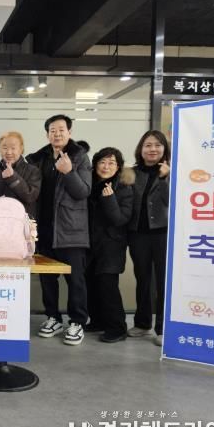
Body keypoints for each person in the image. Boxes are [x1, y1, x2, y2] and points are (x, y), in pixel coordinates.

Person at [26, 114, 92, 346]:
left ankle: (77, 322)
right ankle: (53, 317)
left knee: (75, 280)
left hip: (71, 229)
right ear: (47, 134)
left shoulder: (80, 157)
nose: (57, 134)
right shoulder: (39, 159)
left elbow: (83, 191)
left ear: (69, 132)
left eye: (61, 130)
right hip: (43, 229)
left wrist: (69, 171)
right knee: (48, 279)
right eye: (52, 130)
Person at [127, 130, 171, 347]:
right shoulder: (132, 173)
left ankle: (162, 328)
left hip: (163, 233)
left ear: (164, 148)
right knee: (143, 279)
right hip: (138, 234)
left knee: (162, 281)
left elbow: (170, 201)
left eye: (157, 145)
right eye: (148, 145)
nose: (152, 149)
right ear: (141, 149)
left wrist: (163, 178)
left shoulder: (171, 171)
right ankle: (143, 323)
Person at [85, 147, 134, 343]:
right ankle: (97, 321)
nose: (106, 167)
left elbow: (120, 219)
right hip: (89, 243)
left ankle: (117, 328)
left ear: (118, 167)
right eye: (102, 162)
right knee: (90, 284)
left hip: (111, 245)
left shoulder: (124, 188)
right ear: (95, 164)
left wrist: (110, 198)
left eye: (111, 163)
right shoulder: (89, 184)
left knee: (108, 286)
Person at [0, 131, 41, 217]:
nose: (9, 152)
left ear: (21, 149)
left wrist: (12, 177)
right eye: (5, 148)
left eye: (13, 148)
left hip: (23, 222)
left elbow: (30, 196)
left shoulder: (33, 171)